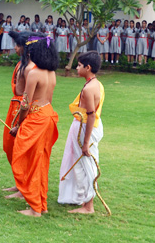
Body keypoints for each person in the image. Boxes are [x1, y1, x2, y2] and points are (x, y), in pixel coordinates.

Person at [8, 33, 59, 217]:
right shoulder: (51, 74)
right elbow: (50, 100)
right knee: (41, 162)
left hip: (35, 118)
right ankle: (41, 205)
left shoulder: (35, 73)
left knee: (27, 160)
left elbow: (25, 104)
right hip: (48, 116)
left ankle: (35, 209)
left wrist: (19, 125)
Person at [58, 51, 105, 214]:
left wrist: (85, 143)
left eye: (79, 66)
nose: (76, 68)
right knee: (80, 165)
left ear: (88, 67)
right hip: (85, 126)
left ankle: (88, 206)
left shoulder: (90, 88)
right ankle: (81, 198)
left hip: (87, 128)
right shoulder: (96, 83)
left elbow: (91, 115)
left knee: (87, 164)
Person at [1, 30, 31, 194]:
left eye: (18, 45)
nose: (15, 48)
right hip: (14, 105)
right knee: (9, 145)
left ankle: (23, 187)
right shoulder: (22, 63)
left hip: (22, 106)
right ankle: (18, 181)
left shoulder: (31, 66)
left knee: (20, 146)